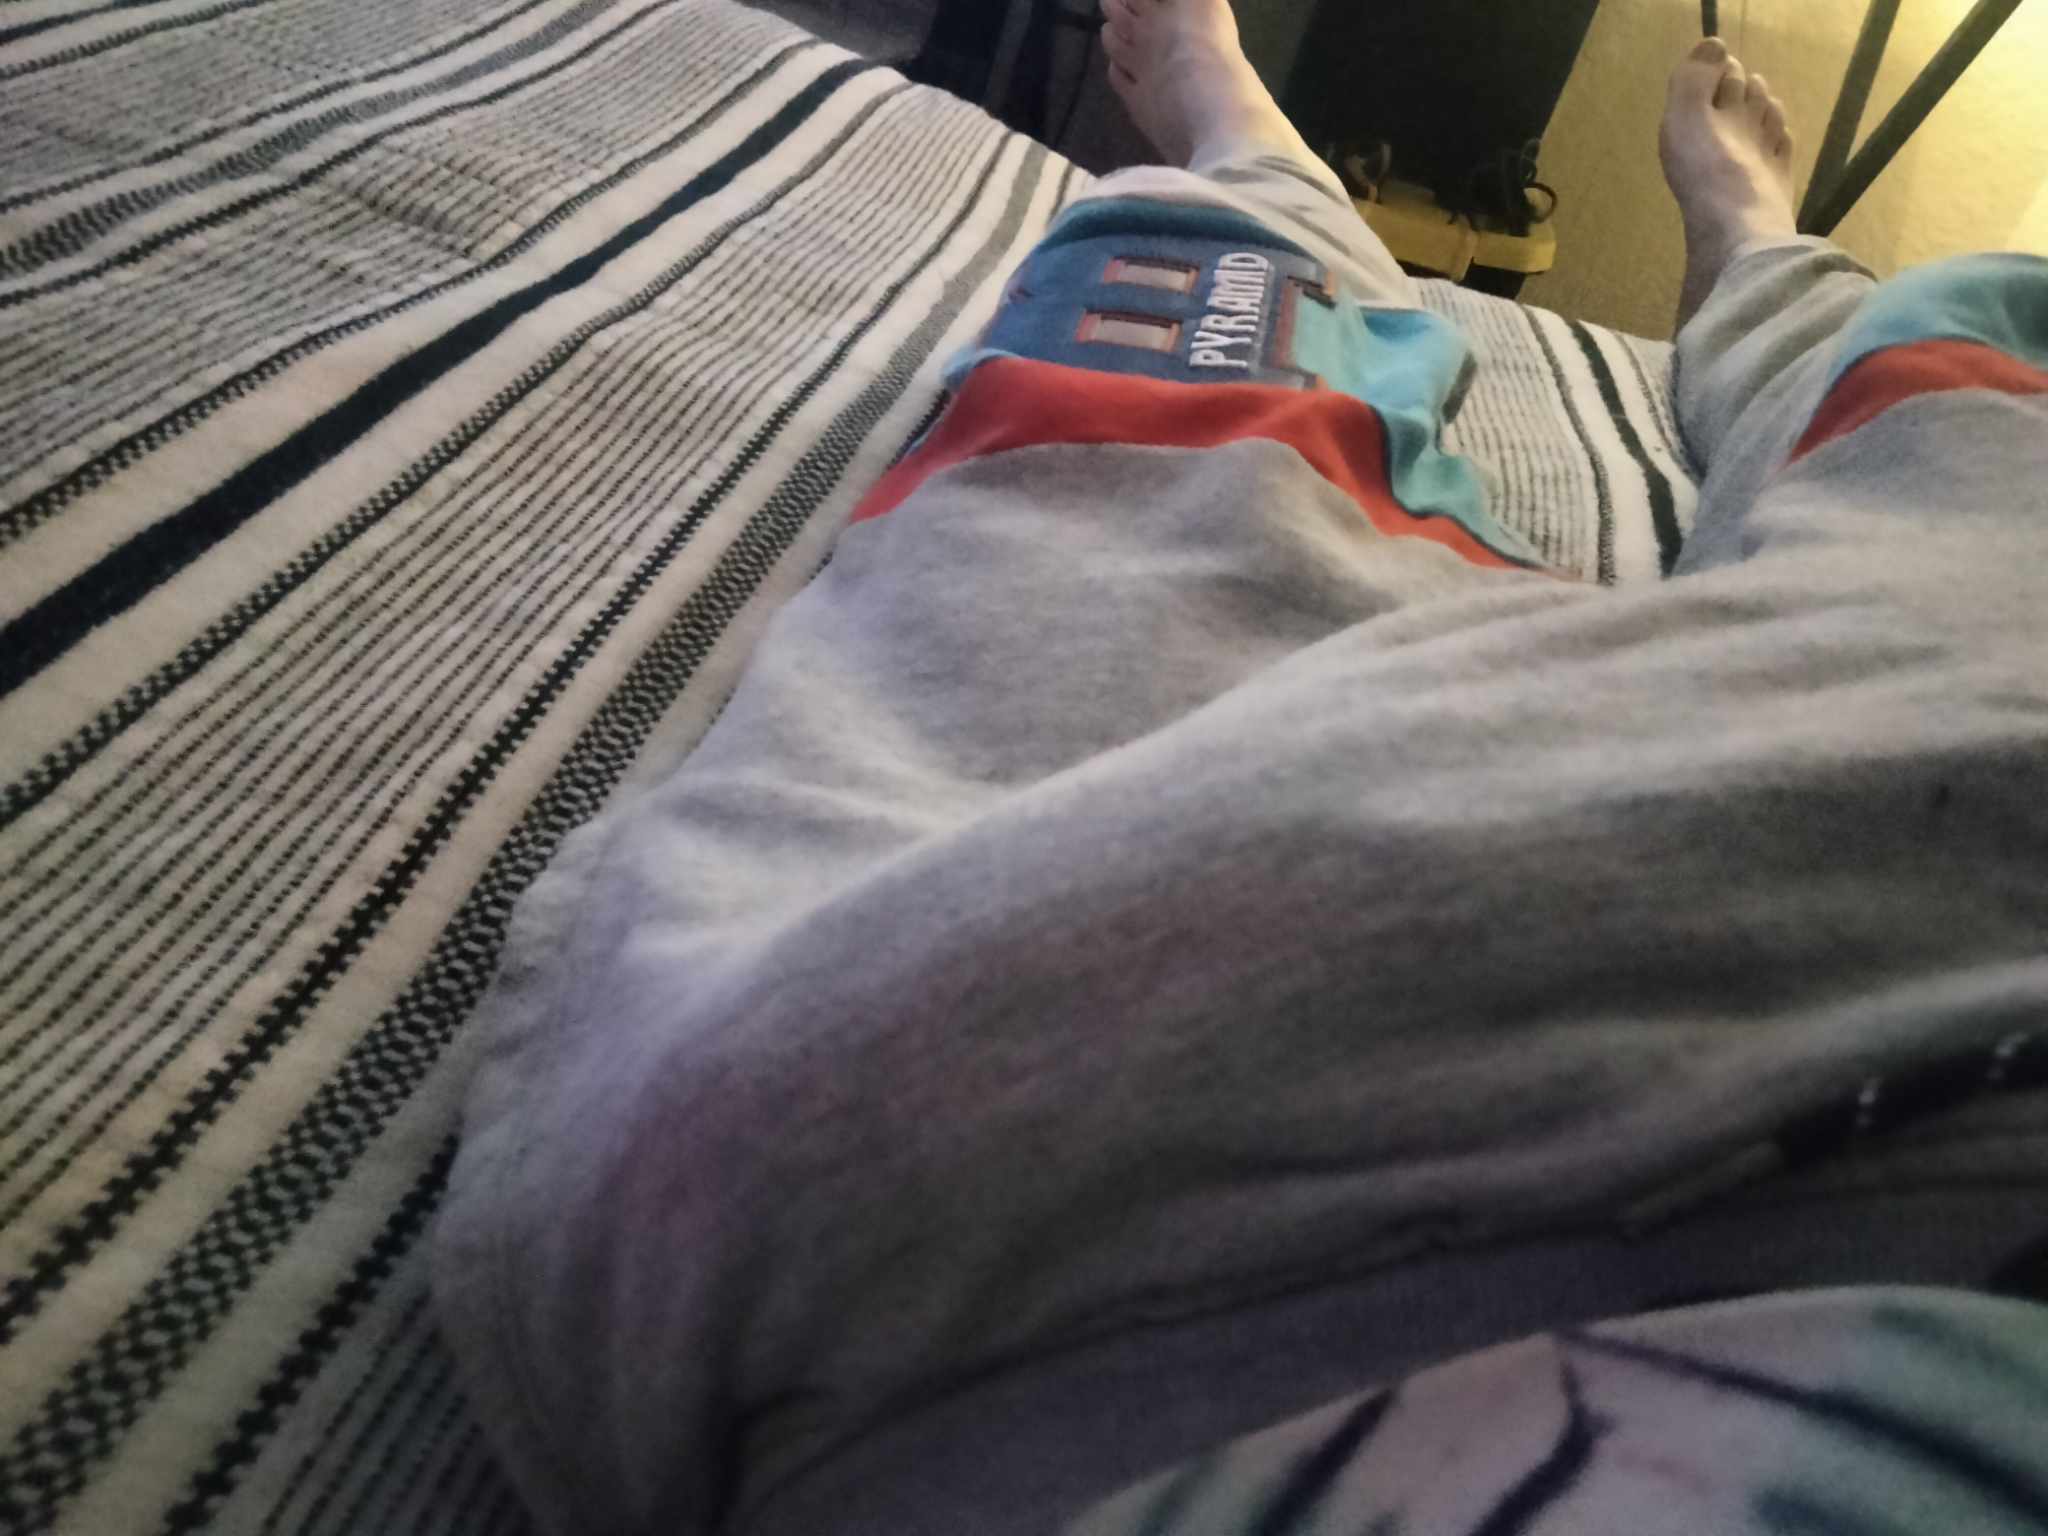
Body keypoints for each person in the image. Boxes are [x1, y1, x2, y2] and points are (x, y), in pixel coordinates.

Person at [432, 5, 2048, 1535]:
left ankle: (1270, 174)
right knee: (1984, 452)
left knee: (1186, 441)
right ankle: (1769, 271)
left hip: (1008, 1184)